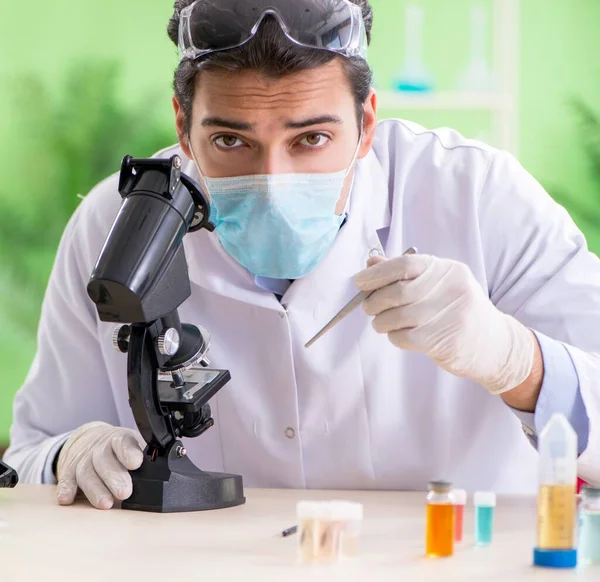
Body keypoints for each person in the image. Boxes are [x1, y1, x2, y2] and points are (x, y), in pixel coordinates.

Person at [4, 0, 600, 510]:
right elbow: (32, 453)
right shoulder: (118, 224)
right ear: (184, 127)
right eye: (230, 140)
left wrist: (516, 360)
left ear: (365, 125)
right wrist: (69, 457)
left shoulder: (476, 195)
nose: (273, 180)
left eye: (310, 139)